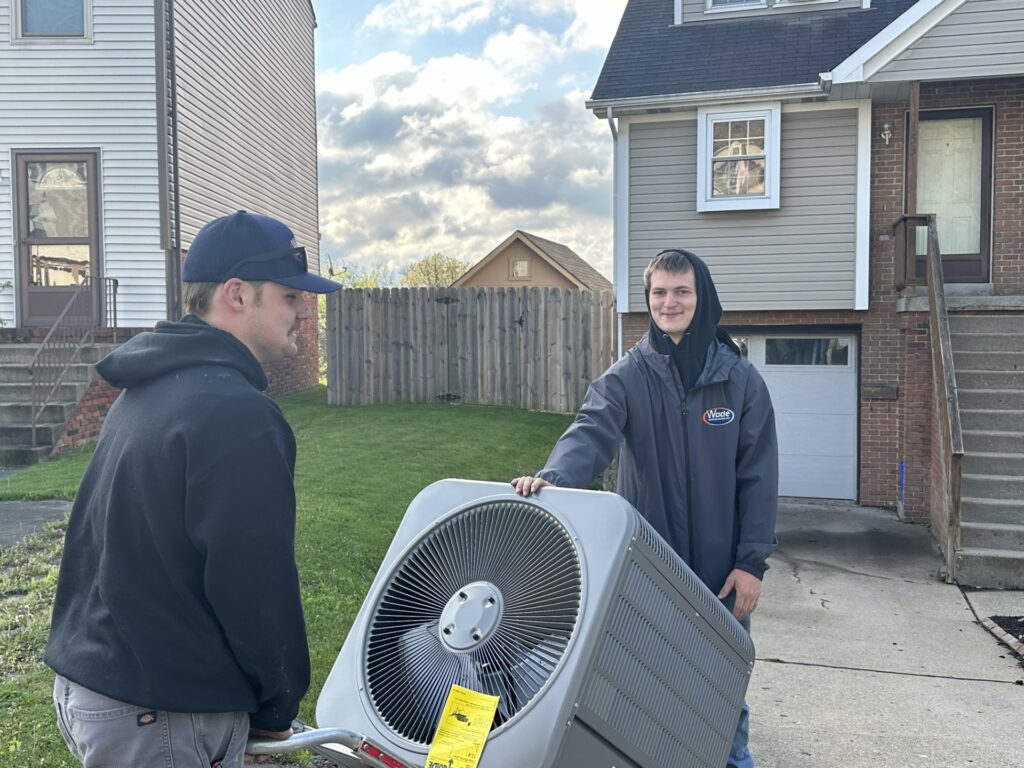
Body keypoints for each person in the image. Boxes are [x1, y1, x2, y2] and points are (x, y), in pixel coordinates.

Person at [44, 210, 342, 768]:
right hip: (157, 711)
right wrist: (276, 709)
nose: (304, 310)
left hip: (95, 685)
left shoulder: (146, 389)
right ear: (236, 294)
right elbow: (255, 581)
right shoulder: (236, 414)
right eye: (290, 294)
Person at [512, 248, 777, 768]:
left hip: (722, 575)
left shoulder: (740, 381)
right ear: (648, 298)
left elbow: (760, 478)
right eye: (659, 292)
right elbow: (590, 432)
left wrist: (751, 563)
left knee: (721, 689)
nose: (669, 302)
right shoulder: (628, 376)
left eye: (681, 291)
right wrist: (552, 480)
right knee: (646, 684)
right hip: (648, 568)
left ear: (702, 298)